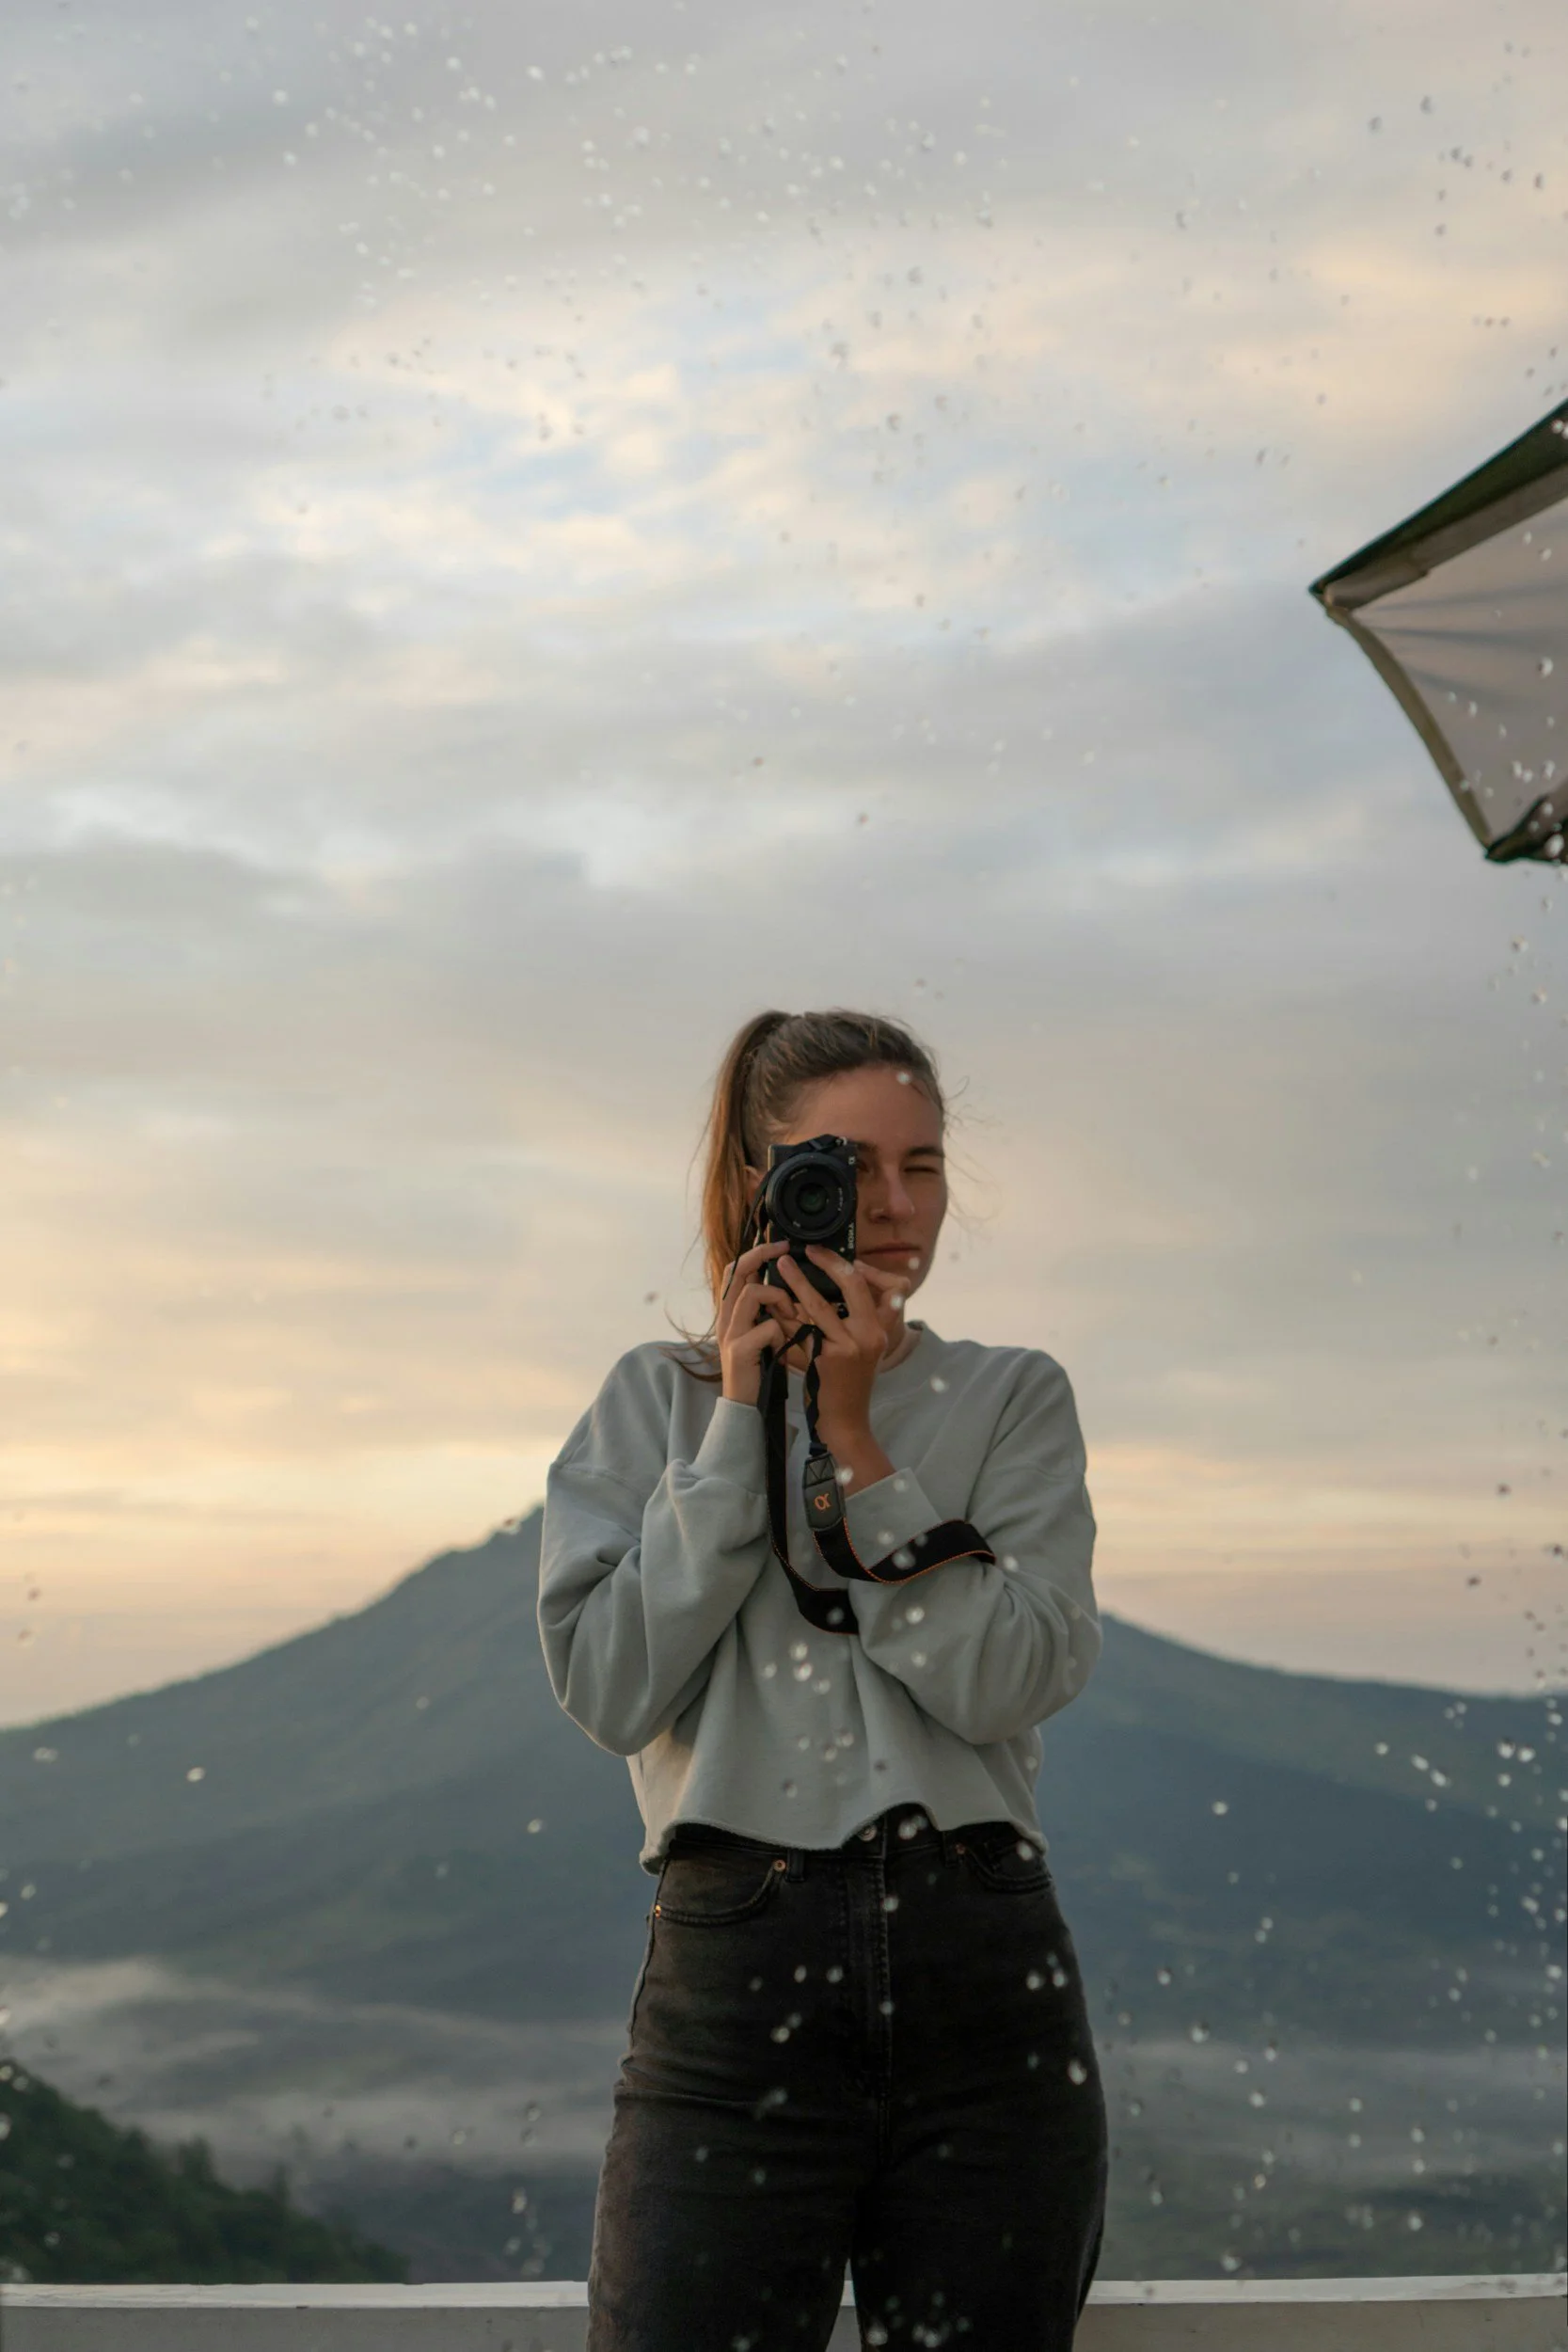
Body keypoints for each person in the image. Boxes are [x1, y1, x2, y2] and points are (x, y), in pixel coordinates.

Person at [538, 1008, 1107, 2351]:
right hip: (736, 1970)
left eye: (923, 1164)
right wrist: (741, 1423)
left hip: (984, 1971)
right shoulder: (652, 1404)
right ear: (759, 1183)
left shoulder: (1011, 1396)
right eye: (840, 1168)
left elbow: (1012, 1680)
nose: (892, 1205)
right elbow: (609, 1686)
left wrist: (854, 1442)